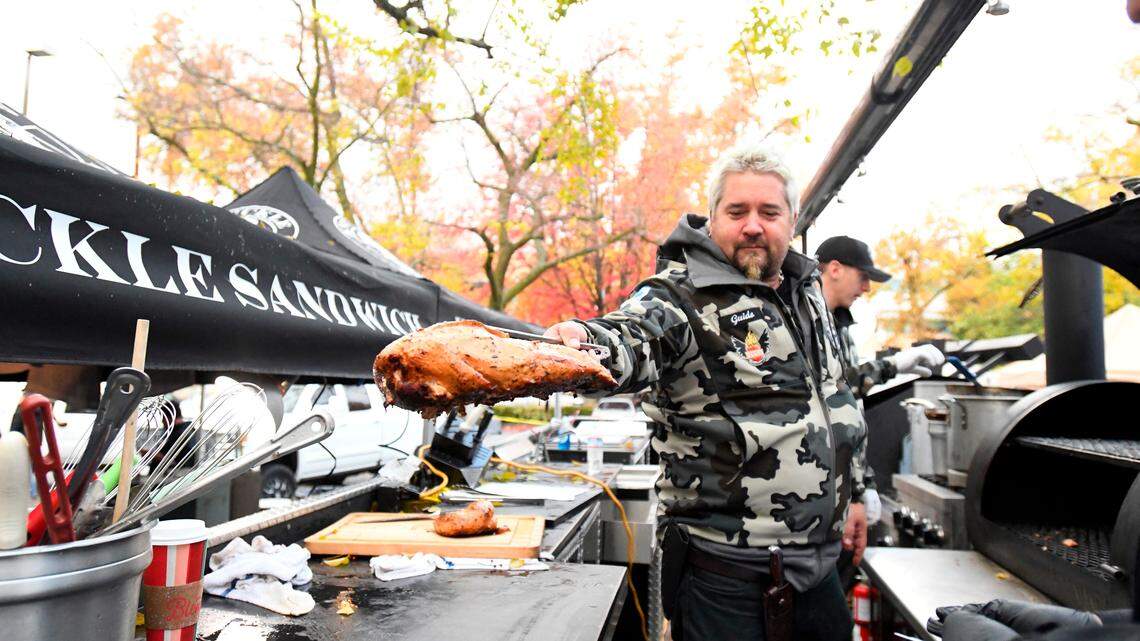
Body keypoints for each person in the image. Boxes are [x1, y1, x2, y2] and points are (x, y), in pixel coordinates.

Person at [546, 142, 868, 641]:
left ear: (793, 219)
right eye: (737, 211)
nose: (753, 225)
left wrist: (858, 496)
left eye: (769, 212)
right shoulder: (677, 296)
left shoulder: (808, 292)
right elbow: (630, 337)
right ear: (712, 217)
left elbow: (836, 399)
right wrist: (584, 342)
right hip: (728, 580)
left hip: (820, 570)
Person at [814, 235, 946, 399]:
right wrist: (892, 365)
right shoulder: (803, 323)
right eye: (863, 277)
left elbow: (847, 388)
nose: (867, 288)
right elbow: (829, 388)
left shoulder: (839, 325)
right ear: (835, 270)